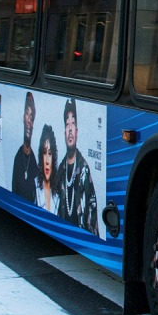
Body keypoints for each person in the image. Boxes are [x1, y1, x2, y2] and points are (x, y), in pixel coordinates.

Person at [59, 98, 100, 236]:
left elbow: (93, 214)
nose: (70, 129)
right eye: (67, 124)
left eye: (73, 123)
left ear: (77, 131)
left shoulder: (84, 170)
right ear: (64, 132)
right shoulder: (60, 171)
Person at [11, 92, 39, 201]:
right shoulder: (18, 157)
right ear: (23, 117)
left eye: (31, 117)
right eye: (27, 114)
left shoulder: (35, 162)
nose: (29, 120)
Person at [35, 124, 59, 215]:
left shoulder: (58, 195)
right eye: (44, 153)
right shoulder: (34, 188)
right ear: (41, 156)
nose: (47, 161)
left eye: (50, 153)